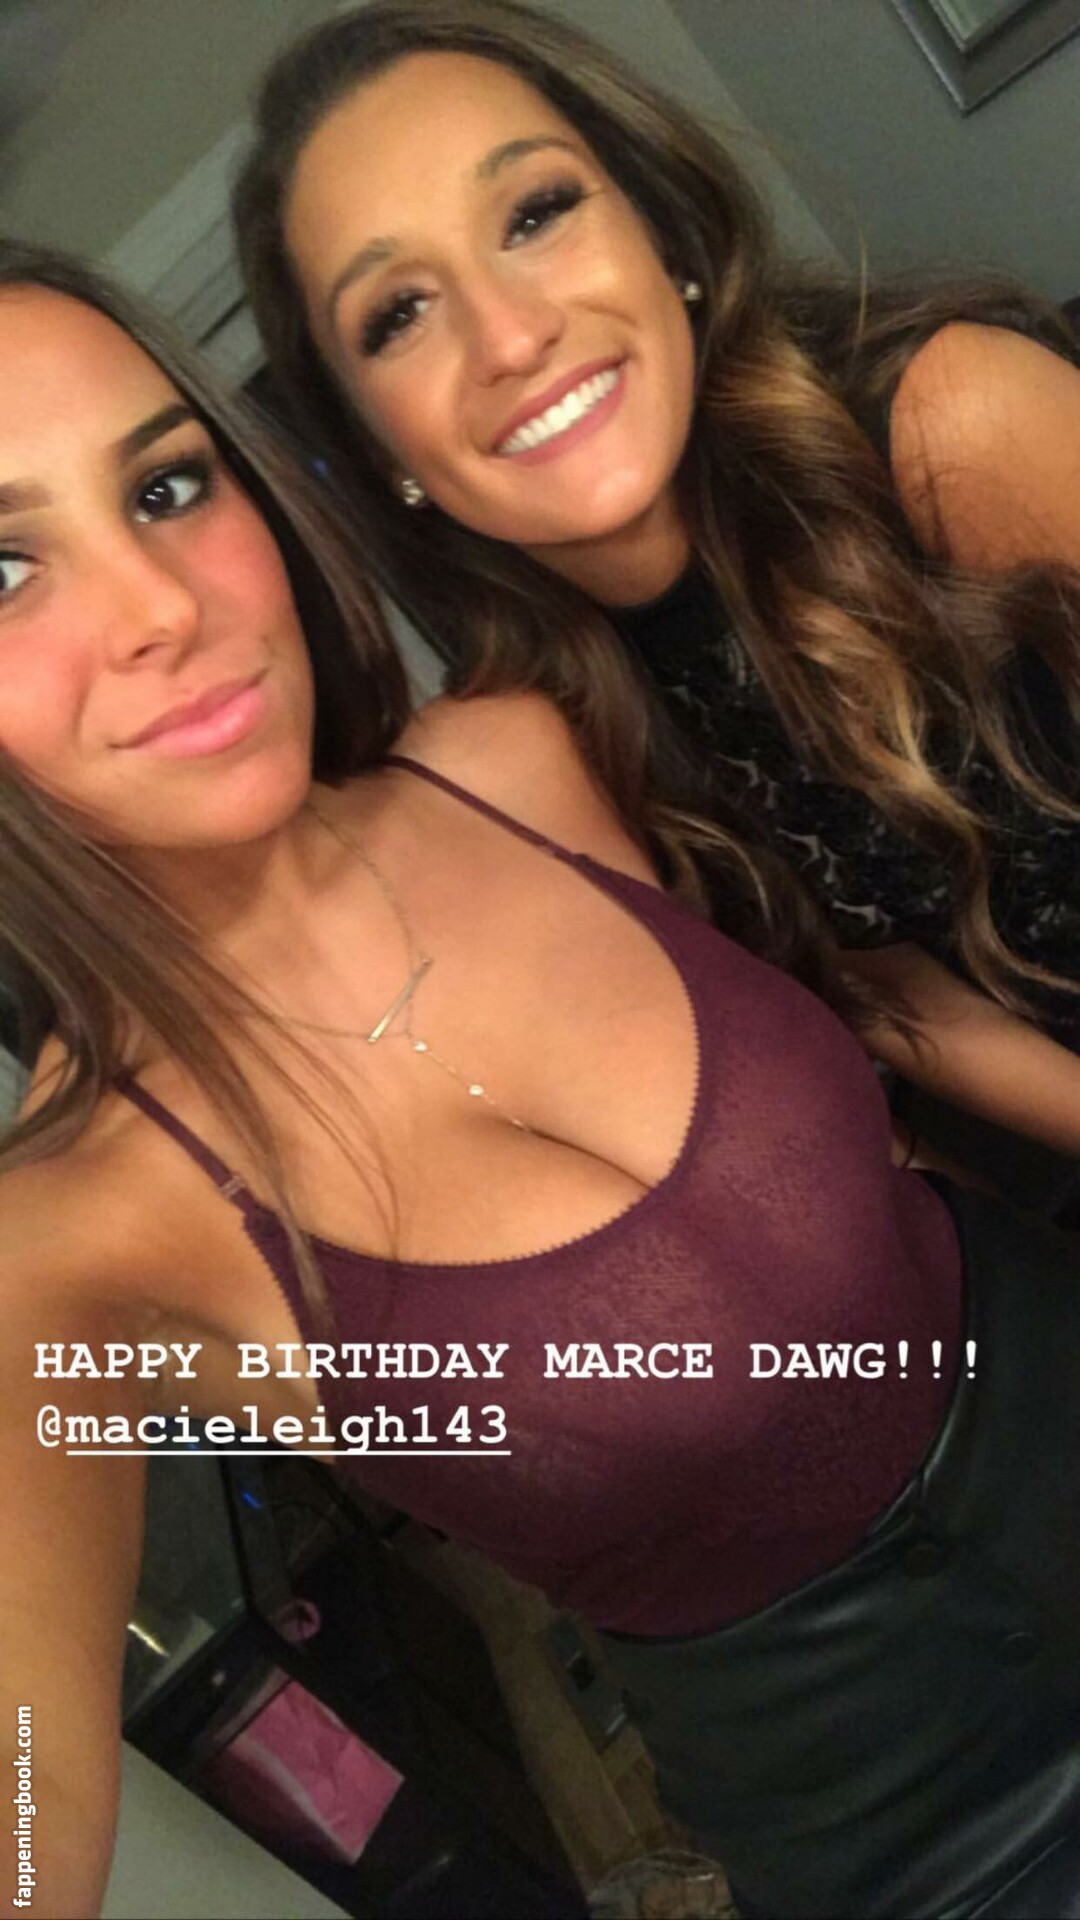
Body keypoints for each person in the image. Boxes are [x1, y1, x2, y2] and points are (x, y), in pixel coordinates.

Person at [1, 239, 1078, 1920]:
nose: (163, 608)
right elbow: (28, 1788)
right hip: (941, 1841)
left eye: (165, 487)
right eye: (3, 569)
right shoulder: (65, 1244)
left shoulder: (521, 751)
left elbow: (862, 986)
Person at [232, 0, 1080, 1213]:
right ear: (377, 449)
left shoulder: (949, 424)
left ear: (662, 230)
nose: (509, 336)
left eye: (535, 213)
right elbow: (900, 999)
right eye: (397, 315)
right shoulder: (556, 746)